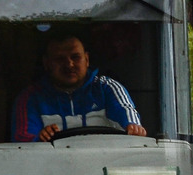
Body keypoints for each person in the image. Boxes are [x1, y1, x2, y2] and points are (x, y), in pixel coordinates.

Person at [11, 34, 147, 142]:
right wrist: (40, 138)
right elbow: (22, 144)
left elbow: (131, 122)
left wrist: (133, 128)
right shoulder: (30, 98)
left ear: (87, 59)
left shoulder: (107, 88)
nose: (69, 64)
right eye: (60, 59)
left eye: (75, 57)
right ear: (46, 63)